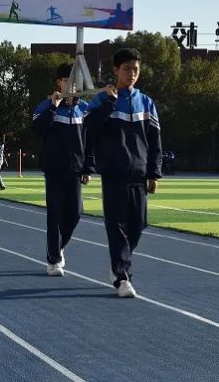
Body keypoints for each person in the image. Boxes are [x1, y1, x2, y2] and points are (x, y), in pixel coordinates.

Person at [87, 48, 162, 299]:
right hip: (113, 173)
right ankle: (122, 276)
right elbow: (89, 128)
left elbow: (155, 141)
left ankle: (119, 261)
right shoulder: (102, 99)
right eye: (127, 69)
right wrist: (109, 103)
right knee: (116, 225)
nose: (132, 74)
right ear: (116, 70)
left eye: (135, 69)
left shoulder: (146, 103)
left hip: (139, 175)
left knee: (138, 225)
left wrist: (154, 173)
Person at [32, 63, 96, 277]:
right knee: (54, 215)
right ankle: (53, 259)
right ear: (59, 82)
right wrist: (53, 107)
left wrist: (88, 168)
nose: (71, 85)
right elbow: (38, 130)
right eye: (67, 80)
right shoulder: (45, 106)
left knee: (75, 213)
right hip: (53, 169)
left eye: (75, 81)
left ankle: (58, 247)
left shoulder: (84, 109)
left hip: (75, 170)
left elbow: (90, 141)